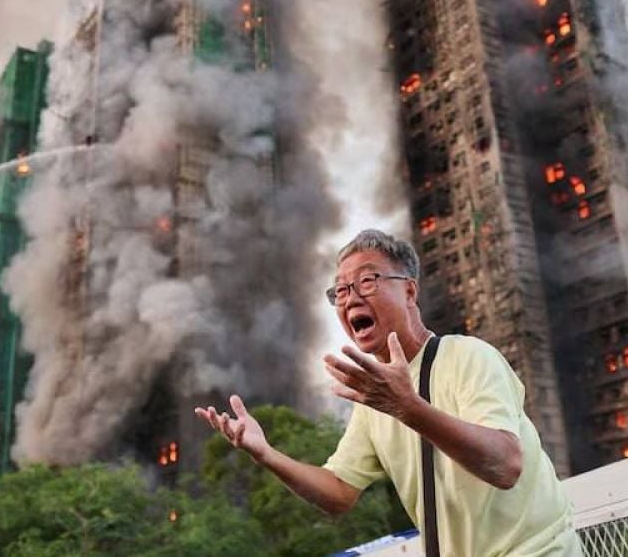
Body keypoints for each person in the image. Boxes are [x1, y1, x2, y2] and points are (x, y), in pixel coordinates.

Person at [195, 229, 583, 556]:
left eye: (367, 281)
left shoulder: (468, 357)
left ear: (410, 292)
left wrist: (408, 407)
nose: (351, 298)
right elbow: (339, 493)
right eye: (341, 290)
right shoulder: (375, 400)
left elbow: (505, 465)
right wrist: (266, 454)